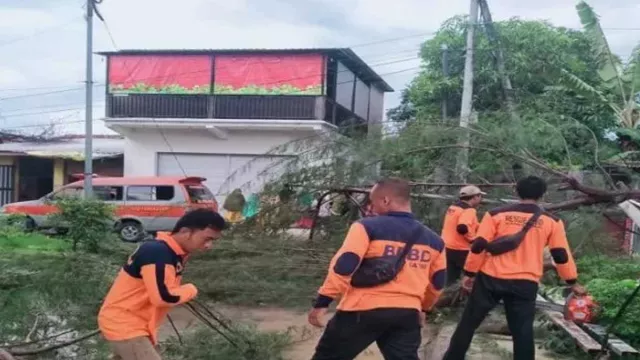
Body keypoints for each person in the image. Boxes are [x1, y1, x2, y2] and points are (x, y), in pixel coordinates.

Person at [442, 176, 582, 360]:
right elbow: (561, 255)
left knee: (468, 323)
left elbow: (478, 246)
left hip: (491, 278)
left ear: (516, 192)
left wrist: (469, 273)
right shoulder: (552, 222)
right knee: (522, 331)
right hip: (525, 282)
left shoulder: (495, 214)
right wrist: (572, 281)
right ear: (543, 195)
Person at [308, 177, 447, 360]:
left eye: (373, 203)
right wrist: (423, 309)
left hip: (360, 310)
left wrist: (323, 302)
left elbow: (345, 265)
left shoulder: (366, 227)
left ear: (386, 200)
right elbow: (437, 283)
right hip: (406, 314)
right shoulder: (435, 240)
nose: (371, 209)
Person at [98, 209, 226, 360]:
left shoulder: (173, 253)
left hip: (137, 324)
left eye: (212, 241)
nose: (208, 245)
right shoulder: (158, 253)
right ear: (185, 231)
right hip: (125, 324)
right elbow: (163, 297)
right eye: (206, 239)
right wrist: (191, 290)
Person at [441, 185, 484, 286]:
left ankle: (447, 299)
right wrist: (473, 240)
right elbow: (462, 227)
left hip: (447, 247)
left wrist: (484, 227)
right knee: (473, 276)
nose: (481, 198)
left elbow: (469, 225)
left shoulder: (453, 208)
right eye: (480, 196)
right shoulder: (469, 210)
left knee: (451, 279)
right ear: (475, 197)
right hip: (461, 250)